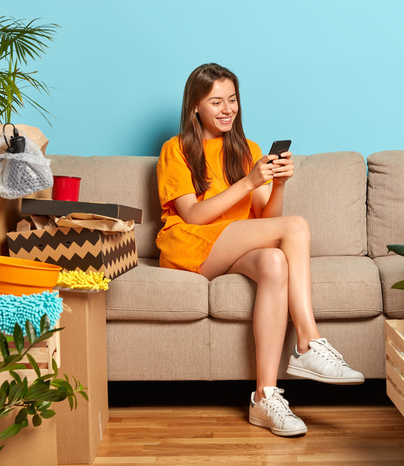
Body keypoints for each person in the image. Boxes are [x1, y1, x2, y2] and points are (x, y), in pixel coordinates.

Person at [156, 63, 364, 437]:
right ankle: (308, 342)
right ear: (195, 109)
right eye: (216, 101)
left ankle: (264, 399)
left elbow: (268, 219)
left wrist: (277, 183)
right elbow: (194, 214)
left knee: (273, 261)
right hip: (190, 245)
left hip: (235, 242)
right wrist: (249, 181)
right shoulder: (176, 150)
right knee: (297, 226)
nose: (226, 109)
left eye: (232, 100)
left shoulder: (247, 149)